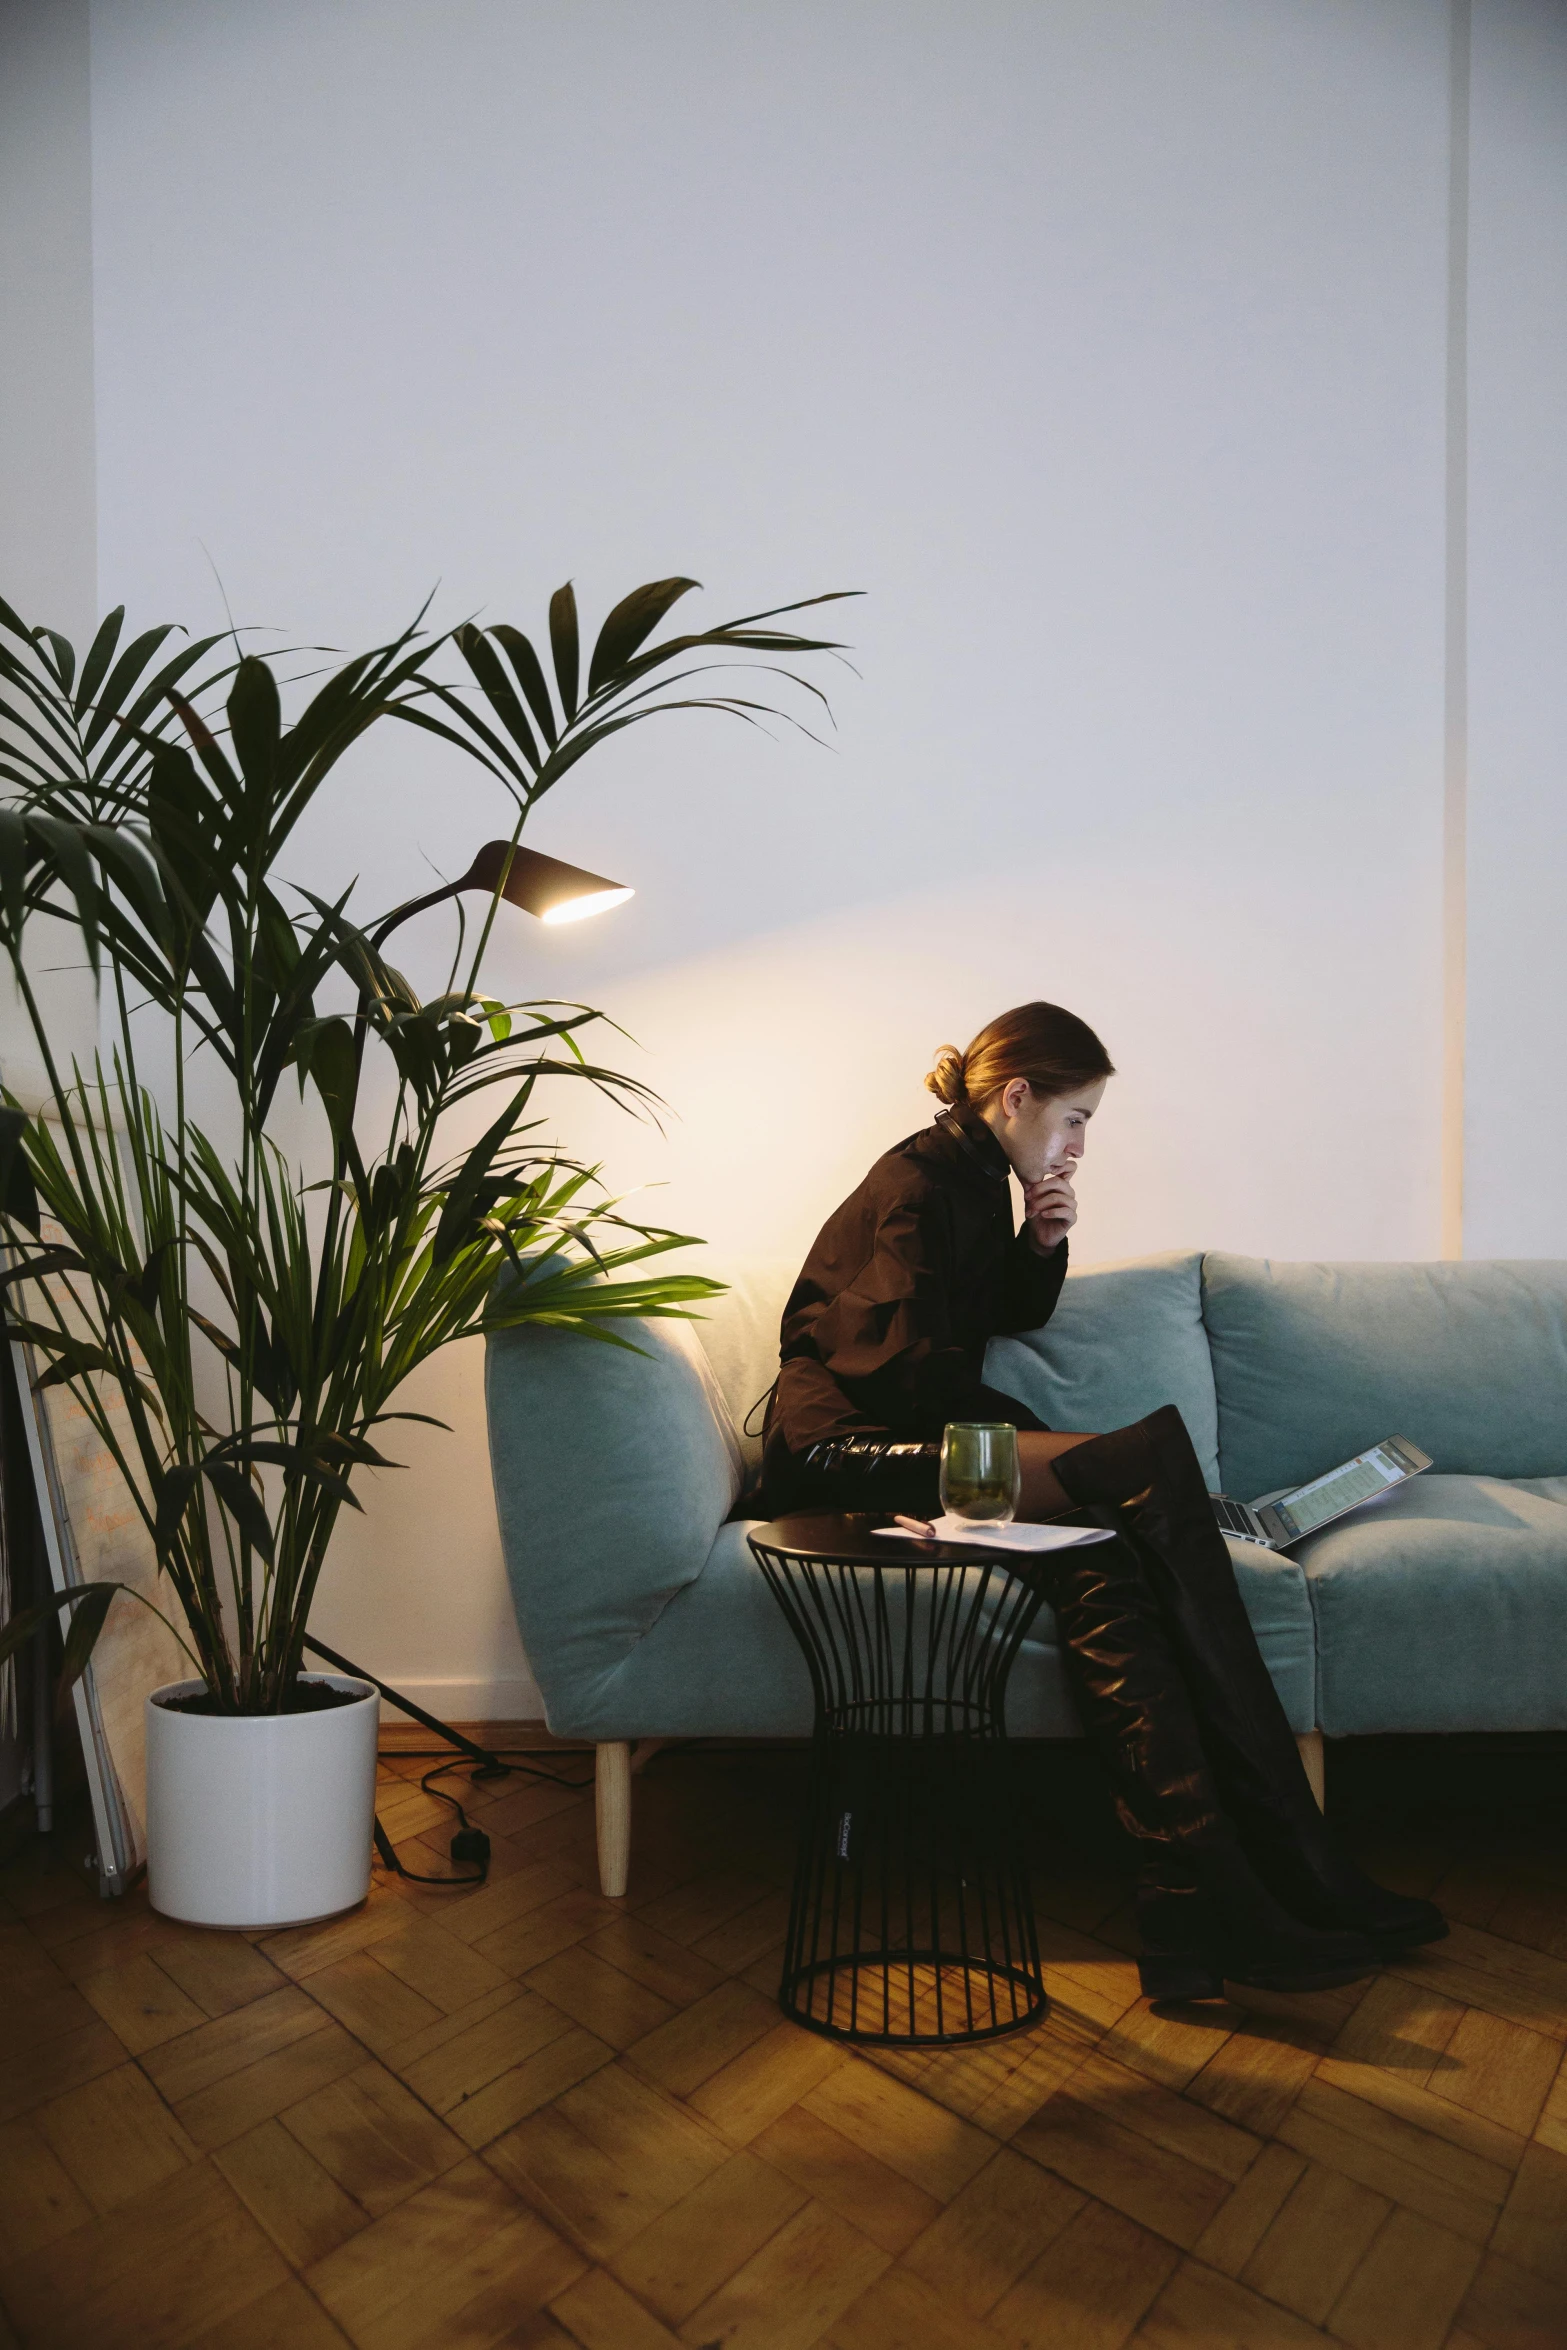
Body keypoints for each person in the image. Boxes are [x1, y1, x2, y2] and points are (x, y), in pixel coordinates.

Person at [761, 1001, 1445, 2001]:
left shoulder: (974, 1174)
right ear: (1017, 1095)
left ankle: (1192, 1901)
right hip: (848, 1456)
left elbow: (989, 1318)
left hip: (913, 1440)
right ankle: (1294, 1860)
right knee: (1146, 1461)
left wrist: (1039, 1240)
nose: (1079, 1140)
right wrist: (1036, 1442)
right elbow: (904, 1373)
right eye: (1075, 1116)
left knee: (1102, 1554)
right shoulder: (912, 1182)